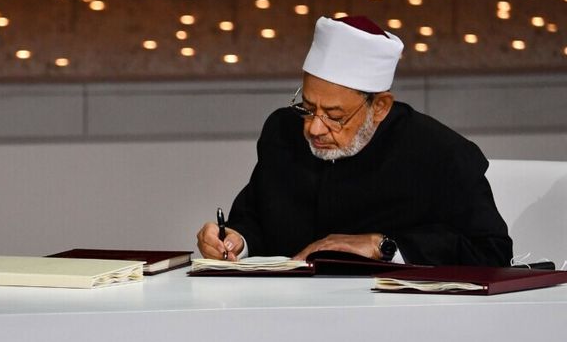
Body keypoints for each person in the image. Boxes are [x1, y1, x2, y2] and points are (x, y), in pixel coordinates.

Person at [197, 16, 512, 267]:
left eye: (335, 115)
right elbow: (256, 219)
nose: (315, 128)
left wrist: (381, 246)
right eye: (307, 108)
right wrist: (235, 239)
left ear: (380, 107)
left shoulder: (440, 153)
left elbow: (491, 251)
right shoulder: (282, 132)